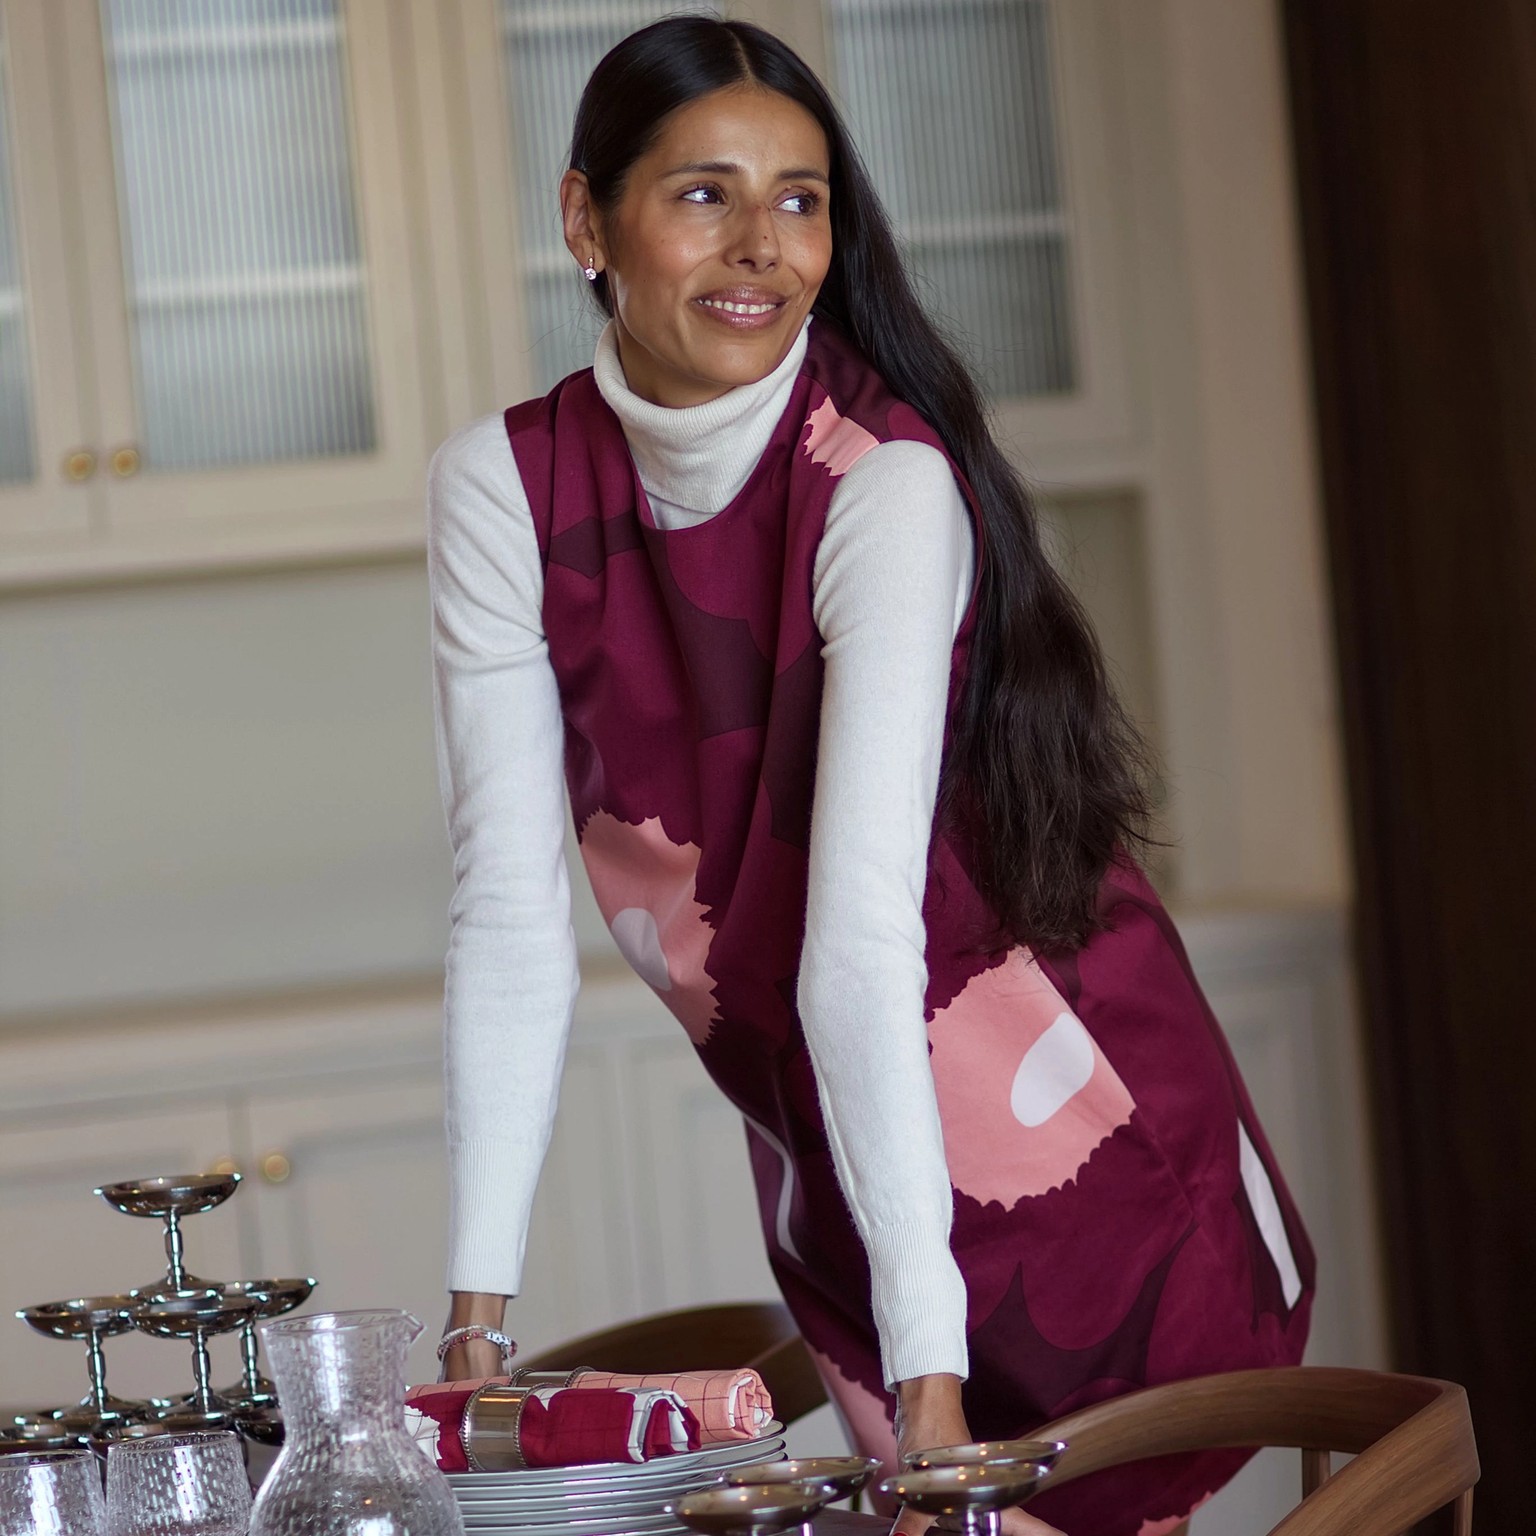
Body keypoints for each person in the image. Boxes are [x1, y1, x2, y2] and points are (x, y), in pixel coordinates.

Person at [426, 17, 1314, 1536]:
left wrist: (928, 1398)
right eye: (704, 193)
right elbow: (509, 918)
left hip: (1076, 1133)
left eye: (803, 198)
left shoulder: (883, 486)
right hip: (847, 1163)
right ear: (586, 219)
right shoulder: (504, 488)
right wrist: (473, 1330)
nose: (762, 246)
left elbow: (858, 952)